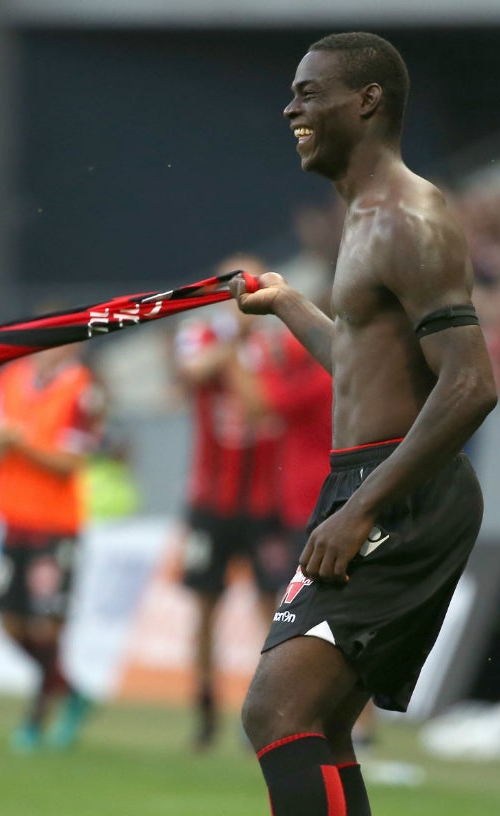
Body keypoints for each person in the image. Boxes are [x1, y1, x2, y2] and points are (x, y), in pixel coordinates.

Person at [232, 32, 498, 815]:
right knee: (314, 724)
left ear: (368, 101)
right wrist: (287, 304)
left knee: (276, 709)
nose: (291, 109)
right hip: (371, 481)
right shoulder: (365, 218)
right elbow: (363, 366)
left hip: (402, 491)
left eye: (309, 93)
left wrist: (365, 507)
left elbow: (473, 384)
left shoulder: (408, 216)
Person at [172, 254, 288, 751]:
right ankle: (204, 711)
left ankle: (264, 714)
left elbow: (265, 406)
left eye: (250, 283)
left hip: (264, 504)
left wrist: (235, 352)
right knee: (203, 609)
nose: (242, 292)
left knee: (273, 609)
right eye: (233, 284)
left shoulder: (277, 343)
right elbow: (191, 375)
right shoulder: (202, 333)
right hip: (210, 502)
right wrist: (232, 346)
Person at [0, 341, 103, 752]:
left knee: (47, 626)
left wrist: (20, 442)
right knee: (9, 624)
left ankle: (36, 720)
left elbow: (71, 462)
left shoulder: (85, 391)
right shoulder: (9, 380)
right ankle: (72, 692)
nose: (47, 352)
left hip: (56, 526)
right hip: (12, 521)